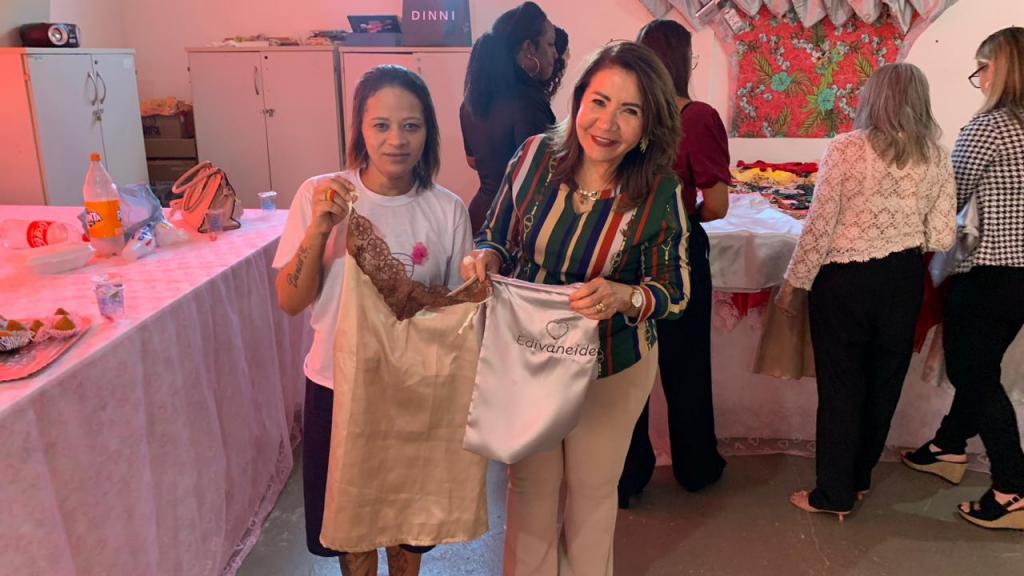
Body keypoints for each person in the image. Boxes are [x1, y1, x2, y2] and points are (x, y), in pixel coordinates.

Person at [462, 41, 691, 575]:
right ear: (579, 99)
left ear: (649, 124)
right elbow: (495, 233)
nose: (606, 124)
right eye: (599, 101)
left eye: (629, 110)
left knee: (591, 493)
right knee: (530, 489)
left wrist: (625, 295)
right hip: (530, 353)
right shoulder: (534, 157)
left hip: (611, 363)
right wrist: (486, 257)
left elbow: (675, 291)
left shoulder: (660, 191)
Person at [274, 65, 473, 575]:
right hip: (336, 386)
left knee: (408, 529)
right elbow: (290, 300)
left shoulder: (447, 210)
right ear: (359, 129)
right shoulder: (320, 194)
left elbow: (457, 317)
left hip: (415, 392)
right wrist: (320, 229)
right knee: (351, 531)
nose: (396, 140)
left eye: (411, 126)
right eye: (380, 125)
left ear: (429, 132)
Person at [776, 62, 955, 517]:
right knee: (884, 385)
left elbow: (818, 228)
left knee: (842, 387)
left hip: (844, 282)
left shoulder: (845, 148)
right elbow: (941, 236)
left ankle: (832, 493)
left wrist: (793, 285)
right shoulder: (936, 155)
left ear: (872, 98)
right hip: (903, 279)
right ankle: (858, 480)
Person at [902, 27, 1024, 531]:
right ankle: (949, 446)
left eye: (983, 67)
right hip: (1017, 276)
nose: (979, 78)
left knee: (974, 372)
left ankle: (1013, 488)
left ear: (1004, 69)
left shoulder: (991, 126)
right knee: (982, 365)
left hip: (990, 270)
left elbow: (947, 195)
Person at [619, 18, 731, 508]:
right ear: (684, 62)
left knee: (627, 369)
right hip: (677, 253)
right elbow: (718, 205)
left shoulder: (626, 116)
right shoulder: (698, 117)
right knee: (686, 367)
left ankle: (627, 476)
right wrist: (686, 217)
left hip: (622, 254)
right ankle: (695, 467)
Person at [460, 1, 561, 232]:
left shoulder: (470, 102)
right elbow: (542, 175)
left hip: (479, 217)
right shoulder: (528, 103)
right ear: (529, 48)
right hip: (514, 224)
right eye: (550, 44)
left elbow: (473, 161)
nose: (555, 54)